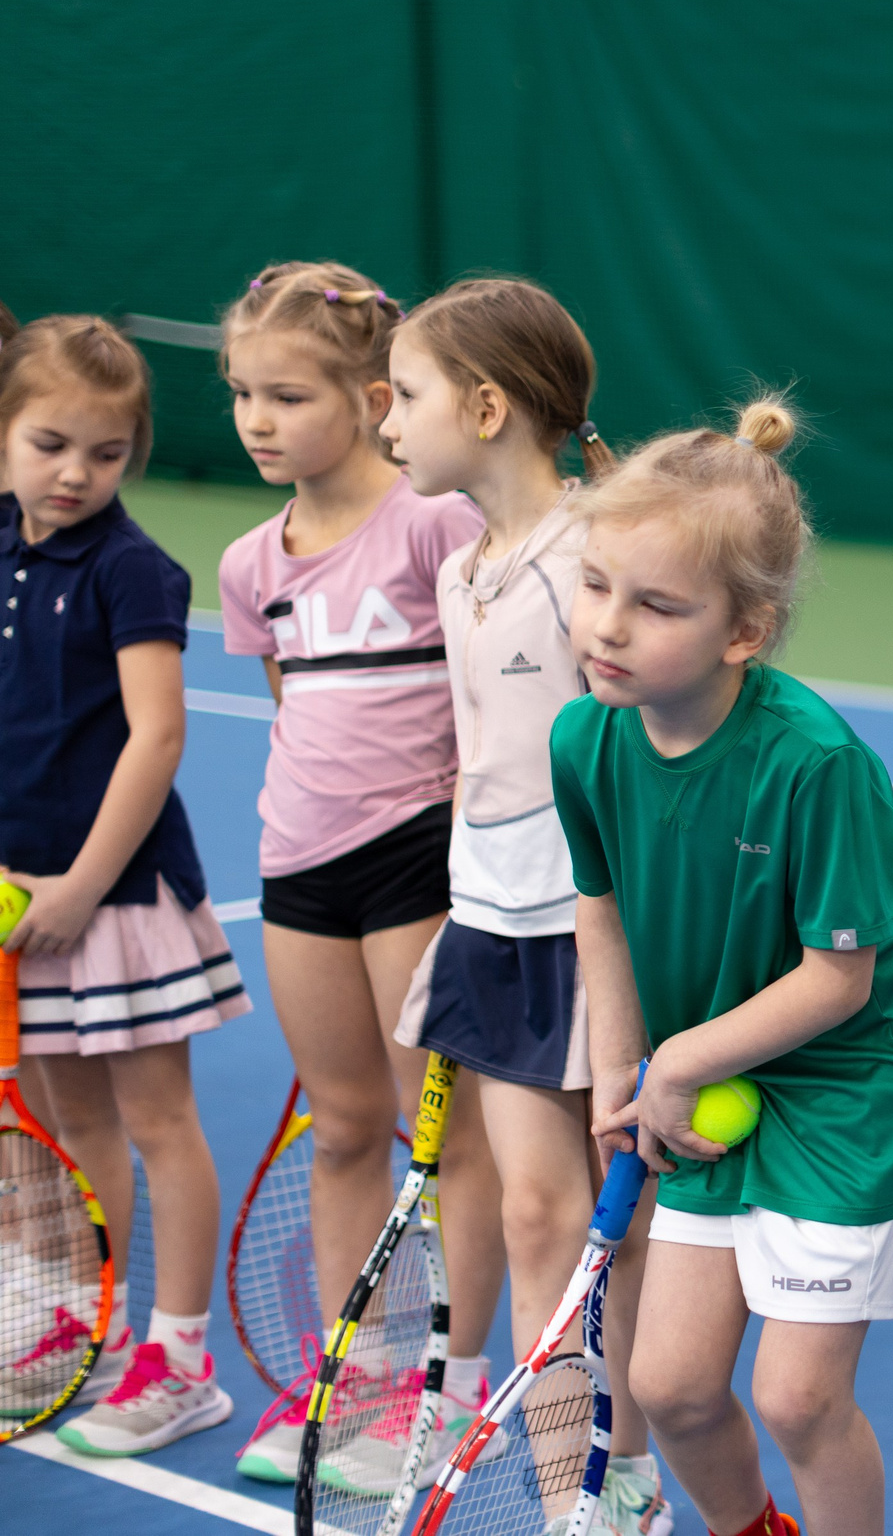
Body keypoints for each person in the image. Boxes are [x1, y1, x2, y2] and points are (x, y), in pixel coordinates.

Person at [558, 398, 893, 1536]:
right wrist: (614, 1070)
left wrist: (678, 1060)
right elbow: (602, 909)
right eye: (596, 585)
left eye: (656, 604)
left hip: (850, 1091)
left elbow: (841, 980)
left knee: (795, 1396)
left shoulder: (818, 763)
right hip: (707, 1075)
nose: (609, 628)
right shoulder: (583, 739)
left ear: (746, 629)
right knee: (672, 1387)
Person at [374, 276, 671, 1536]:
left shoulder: (589, 563)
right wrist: (461, 905)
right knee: (535, 1208)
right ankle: (578, 1503)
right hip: (491, 925)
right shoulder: (465, 567)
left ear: (486, 406)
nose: (386, 418)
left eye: (405, 393)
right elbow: (483, 761)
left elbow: (645, 753)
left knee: (613, 1225)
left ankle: (629, 1464)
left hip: (594, 935)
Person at [215, 262, 505, 1489]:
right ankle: (357, 1378)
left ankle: (449, 1384)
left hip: (417, 863)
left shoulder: (435, 522)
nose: (256, 420)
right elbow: (294, 711)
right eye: (240, 395)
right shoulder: (248, 562)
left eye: (286, 394)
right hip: (299, 866)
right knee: (343, 1127)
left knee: (447, 1140)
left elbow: (493, 687)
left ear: (374, 395)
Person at [0, 317, 246, 1453]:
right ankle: (73, 1317)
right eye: (50, 443)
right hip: (22, 906)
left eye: (105, 452)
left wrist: (80, 887)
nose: (75, 473)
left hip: (121, 905)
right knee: (60, 1123)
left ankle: (180, 1355)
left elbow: (156, 740)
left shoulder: (131, 568)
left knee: (157, 1121)